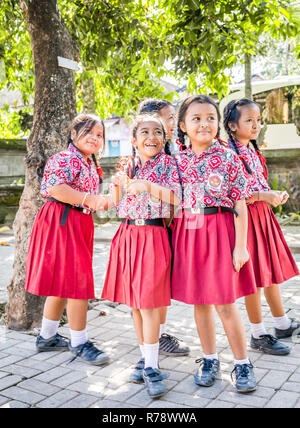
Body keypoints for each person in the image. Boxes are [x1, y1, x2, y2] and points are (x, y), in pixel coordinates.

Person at [171, 95, 257, 393]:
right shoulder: (176, 161)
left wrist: (241, 245)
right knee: (200, 302)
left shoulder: (229, 157)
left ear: (218, 123)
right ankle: (209, 359)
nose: (204, 123)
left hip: (221, 230)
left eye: (210, 117)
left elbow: (241, 204)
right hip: (188, 233)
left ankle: (243, 362)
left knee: (225, 302)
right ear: (182, 125)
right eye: (196, 118)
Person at [101, 114, 181, 398]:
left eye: (157, 132)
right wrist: (116, 187)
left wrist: (147, 186)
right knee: (135, 304)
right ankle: (147, 357)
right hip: (127, 235)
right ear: (133, 140)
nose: (152, 137)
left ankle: (151, 366)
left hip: (153, 234)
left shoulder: (169, 164)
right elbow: (113, 203)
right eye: (144, 132)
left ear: (164, 138)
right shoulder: (127, 165)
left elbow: (178, 197)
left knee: (147, 303)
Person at [25, 113, 111, 365]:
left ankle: (47, 336)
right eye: (89, 132)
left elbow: (91, 197)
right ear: (73, 134)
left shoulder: (87, 162)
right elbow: (56, 188)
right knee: (76, 282)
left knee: (64, 283)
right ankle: (79, 342)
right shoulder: (64, 158)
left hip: (78, 221)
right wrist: (88, 200)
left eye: (99, 135)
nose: (95, 138)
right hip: (63, 219)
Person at [223, 98, 300, 355]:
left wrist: (271, 195)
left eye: (258, 120)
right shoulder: (229, 154)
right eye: (249, 121)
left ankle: (282, 323)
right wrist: (264, 196)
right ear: (232, 125)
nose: (256, 125)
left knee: (270, 274)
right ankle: (258, 333)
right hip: (246, 221)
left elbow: (257, 187)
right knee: (253, 279)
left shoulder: (252, 150)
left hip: (262, 218)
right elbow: (235, 195)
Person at [136, 98, 190, 357]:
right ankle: (151, 341)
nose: (172, 124)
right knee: (149, 286)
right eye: (168, 119)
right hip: (152, 229)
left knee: (163, 283)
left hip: (174, 224)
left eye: (171, 120)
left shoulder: (175, 152)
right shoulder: (141, 157)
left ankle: (159, 334)